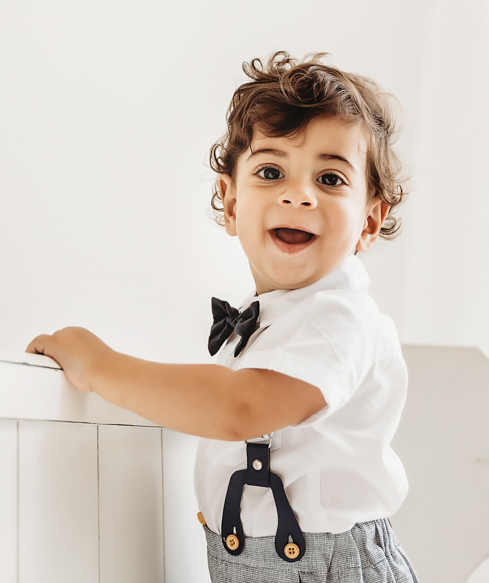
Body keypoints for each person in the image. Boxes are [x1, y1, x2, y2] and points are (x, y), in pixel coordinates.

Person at [26, 52, 420, 582]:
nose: (298, 194)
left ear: (369, 220)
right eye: (271, 171)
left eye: (329, 178)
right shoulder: (276, 320)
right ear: (231, 203)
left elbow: (240, 407)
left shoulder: (340, 317)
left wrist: (100, 366)